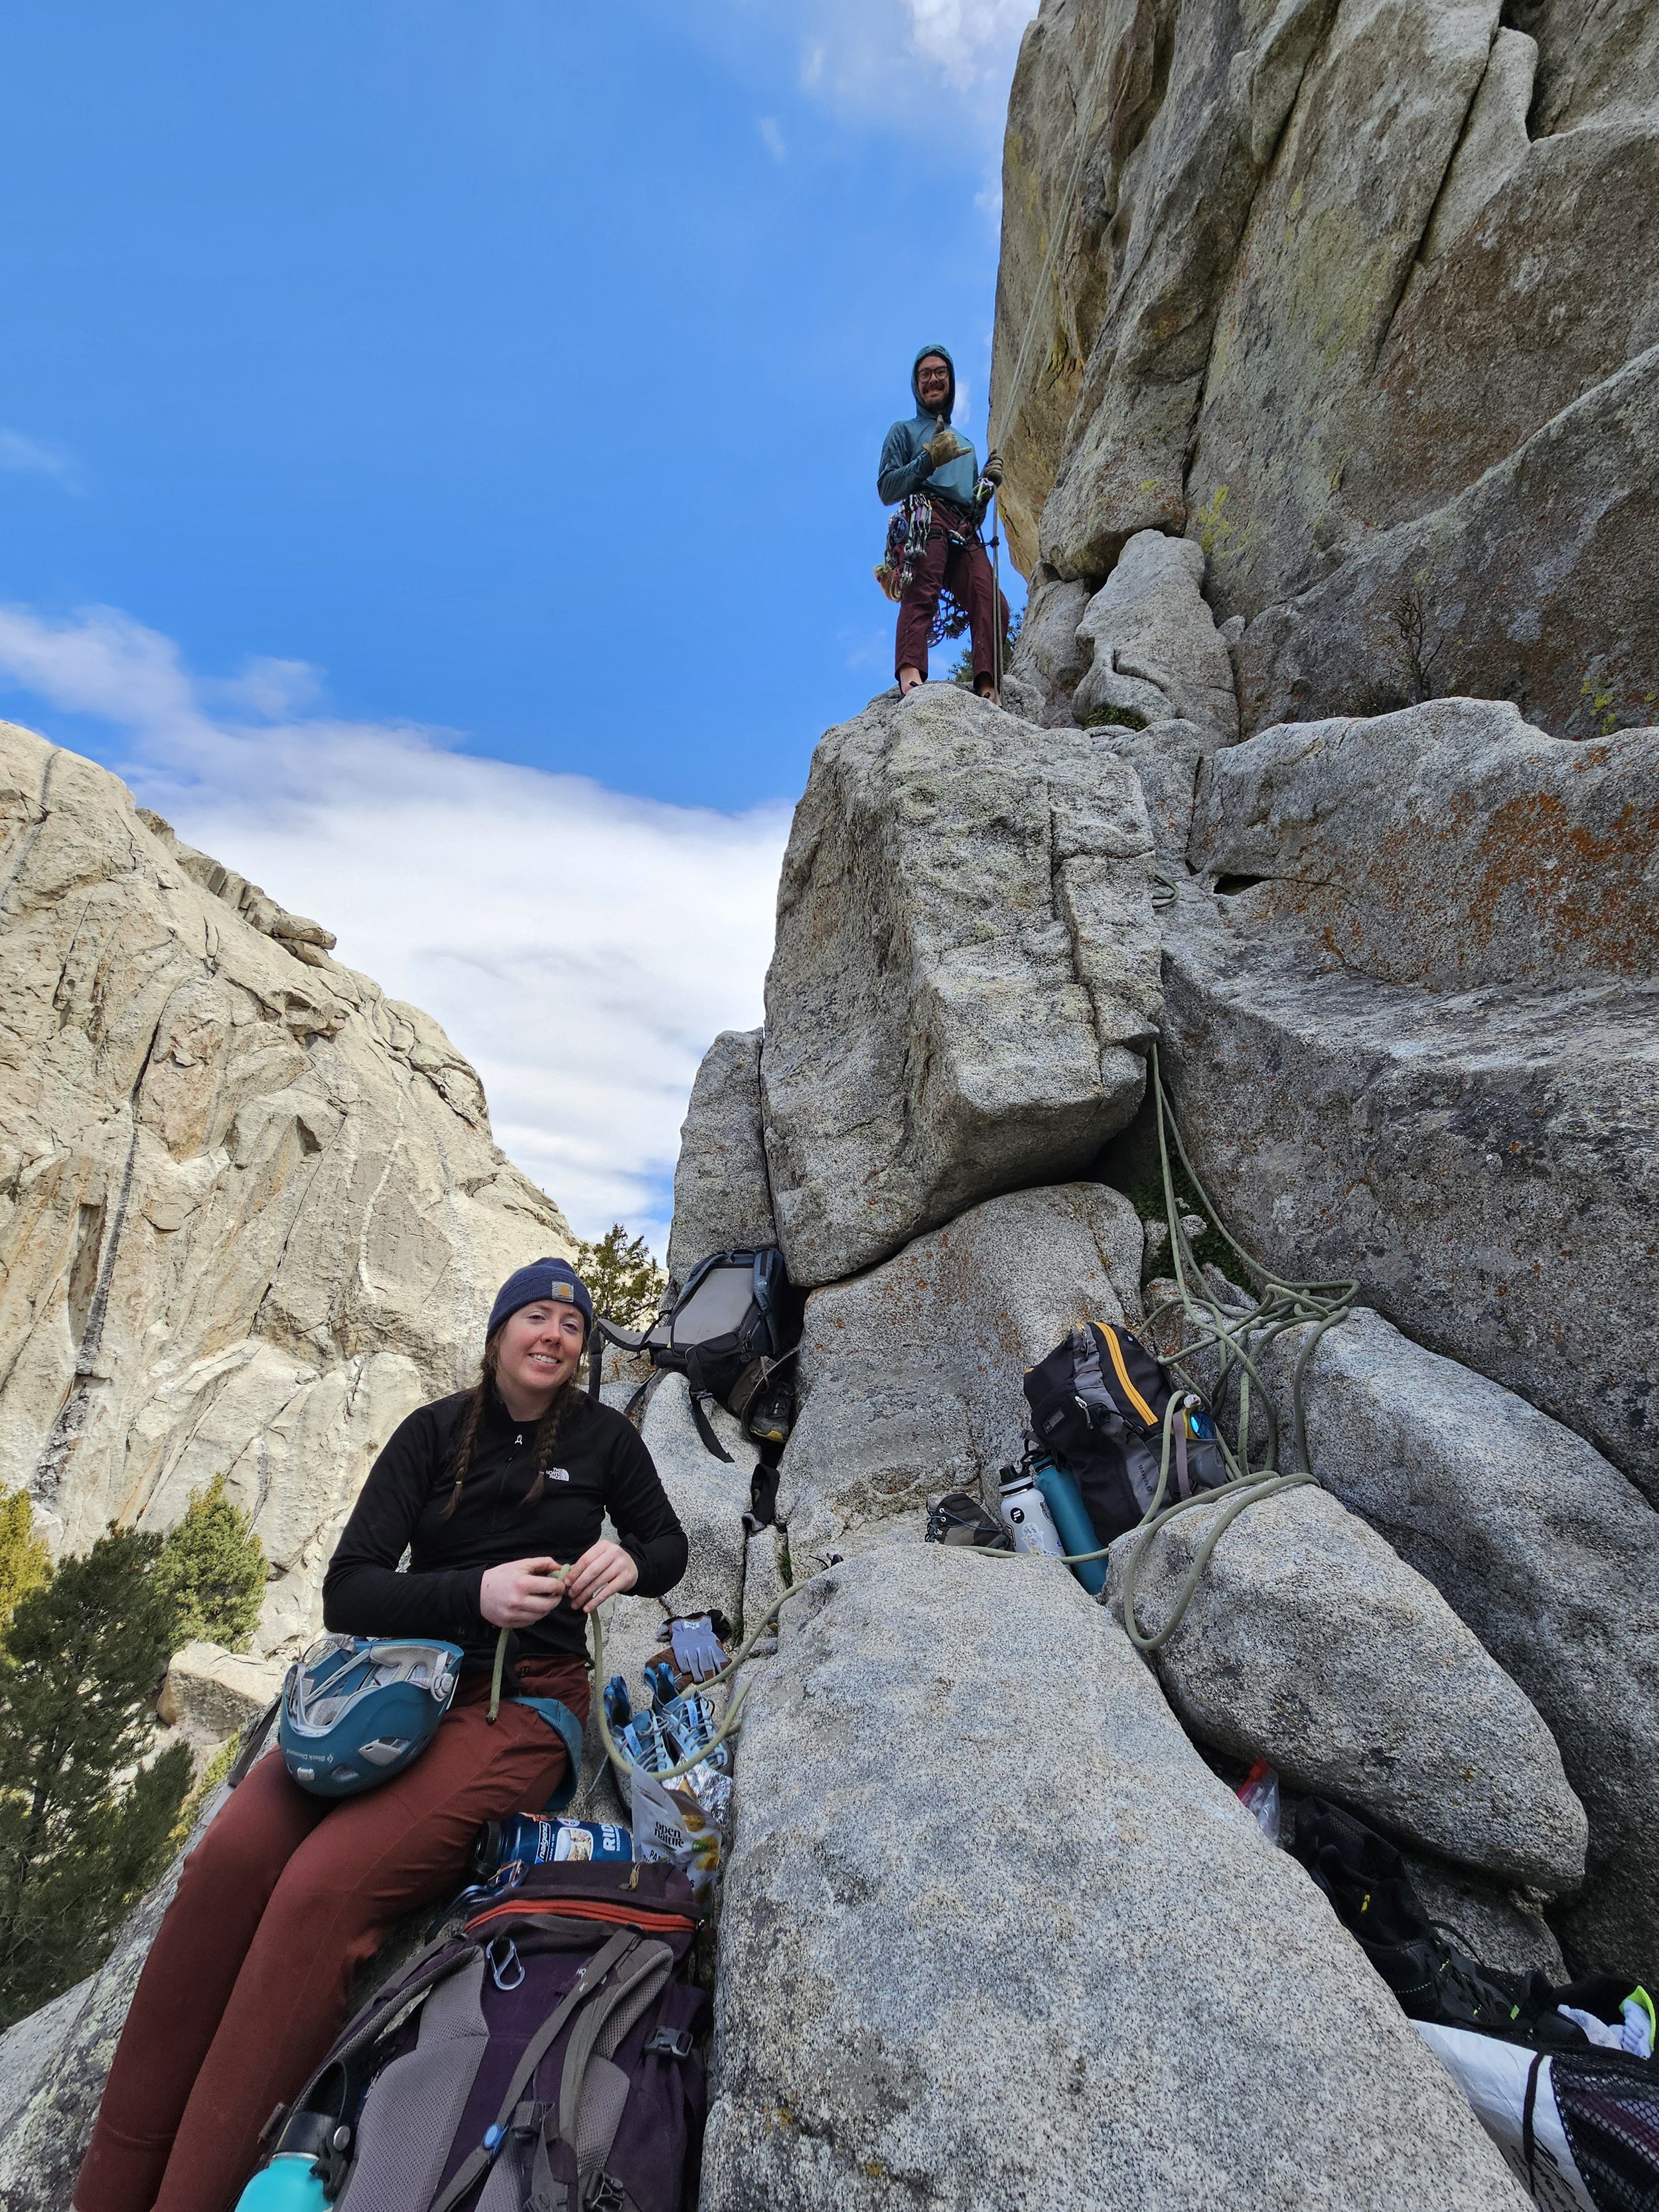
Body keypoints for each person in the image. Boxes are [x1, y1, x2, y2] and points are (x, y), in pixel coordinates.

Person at [75, 1256, 687, 2212]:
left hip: (523, 1701)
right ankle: (108, 2188)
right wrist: (469, 1592)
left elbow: (670, 1548)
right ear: (497, 1336)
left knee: (321, 1891)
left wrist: (627, 1558)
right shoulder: (433, 1432)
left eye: (571, 1327)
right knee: (228, 1861)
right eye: (534, 1317)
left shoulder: (606, 1441)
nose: (555, 1337)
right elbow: (351, 1585)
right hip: (402, 1685)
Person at [877, 342, 1007, 702]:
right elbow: (887, 487)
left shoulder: (965, 444)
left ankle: (987, 684)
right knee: (922, 589)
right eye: (925, 374)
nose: (933, 380)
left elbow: (972, 507)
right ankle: (911, 674)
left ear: (950, 380)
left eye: (940, 373)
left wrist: (985, 488)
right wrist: (927, 461)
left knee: (991, 600)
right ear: (916, 384)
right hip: (926, 515)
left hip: (965, 529)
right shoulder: (903, 432)